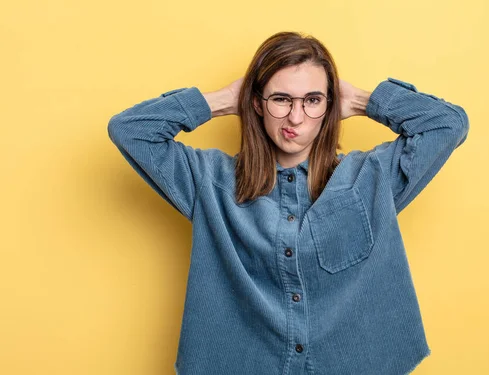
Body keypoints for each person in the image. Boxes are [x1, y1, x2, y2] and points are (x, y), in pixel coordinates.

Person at [107, 31, 469, 375]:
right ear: (257, 104)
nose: (296, 118)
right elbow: (130, 130)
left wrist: (360, 100)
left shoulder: (372, 178)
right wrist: (221, 101)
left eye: (312, 100)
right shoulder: (209, 181)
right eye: (281, 99)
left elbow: (447, 125)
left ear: (330, 107)